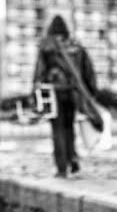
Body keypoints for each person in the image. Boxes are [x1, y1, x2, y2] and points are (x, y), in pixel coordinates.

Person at [32, 16, 98, 177]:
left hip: (54, 93)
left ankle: (61, 167)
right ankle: (73, 160)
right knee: (69, 127)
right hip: (74, 92)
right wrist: (91, 93)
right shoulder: (76, 46)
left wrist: (34, 94)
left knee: (58, 129)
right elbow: (88, 71)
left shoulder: (47, 46)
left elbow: (39, 72)